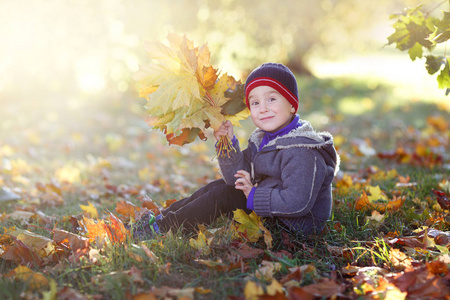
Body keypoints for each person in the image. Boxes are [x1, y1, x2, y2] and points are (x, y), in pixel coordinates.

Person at [132, 62, 340, 240]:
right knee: (220, 186)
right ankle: (164, 217)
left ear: (292, 105)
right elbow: (236, 177)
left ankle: (164, 228)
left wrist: (253, 195)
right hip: (269, 209)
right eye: (255, 102)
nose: (263, 108)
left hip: (293, 225)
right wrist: (227, 143)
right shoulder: (264, 139)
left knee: (225, 194)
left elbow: (297, 203)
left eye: (272, 99)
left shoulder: (302, 150)